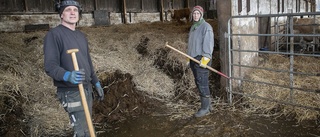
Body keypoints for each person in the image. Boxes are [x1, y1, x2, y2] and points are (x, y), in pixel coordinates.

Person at [43, 0, 104, 136]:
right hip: (71, 92)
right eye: (68, 10)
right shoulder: (54, 35)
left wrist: (96, 82)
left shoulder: (81, 36)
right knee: (81, 130)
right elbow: (50, 65)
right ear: (61, 15)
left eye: (75, 10)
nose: (72, 12)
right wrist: (67, 75)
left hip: (86, 88)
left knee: (87, 127)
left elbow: (87, 62)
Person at [187, 5, 214, 118]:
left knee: (202, 83)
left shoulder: (206, 27)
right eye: (194, 13)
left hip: (201, 59)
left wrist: (206, 59)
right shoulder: (194, 27)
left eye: (198, 13)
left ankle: (205, 108)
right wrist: (188, 57)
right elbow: (191, 44)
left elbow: (208, 44)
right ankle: (208, 105)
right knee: (199, 82)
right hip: (194, 59)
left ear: (201, 15)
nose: (196, 15)